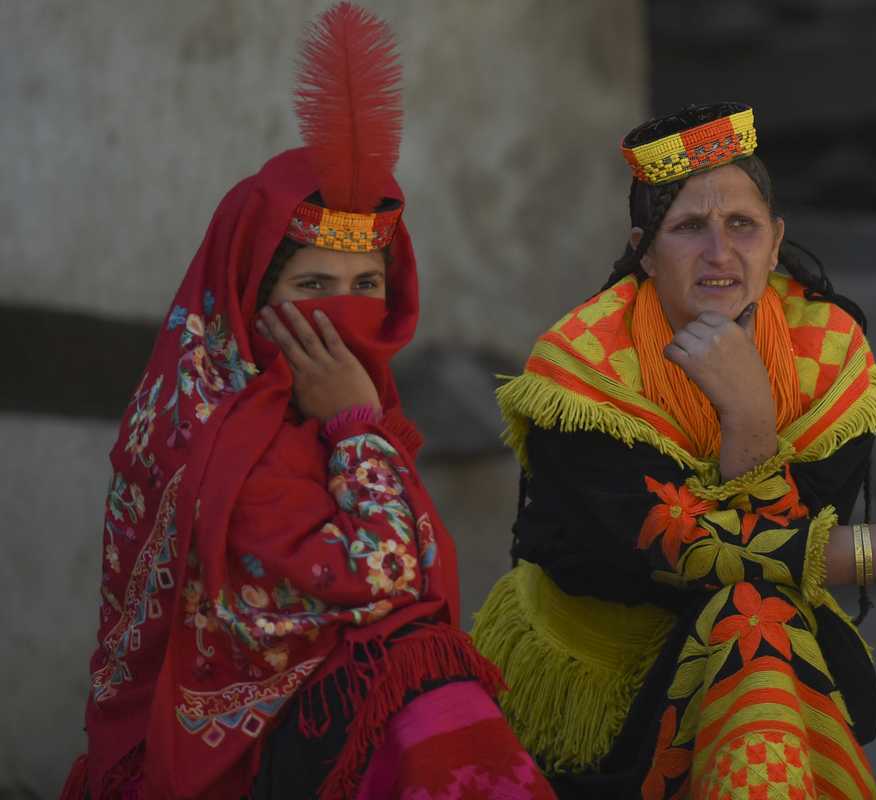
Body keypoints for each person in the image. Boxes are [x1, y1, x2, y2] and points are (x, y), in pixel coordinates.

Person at [60, 5, 552, 799]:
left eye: (367, 286)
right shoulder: (222, 435)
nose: (346, 312)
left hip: (314, 724)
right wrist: (356, 427)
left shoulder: (328, 411)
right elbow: (390, 578)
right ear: (252, 295)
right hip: (236, 758)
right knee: (429, 693)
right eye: (312, 287)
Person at [471, 102, 876, 799]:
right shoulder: (584, 370)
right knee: (753, 623)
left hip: (756, 649)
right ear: (643, 249)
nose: (719, 254)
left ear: (776, 239)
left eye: (742, 225)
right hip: (603, 675)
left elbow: (773, 566)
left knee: (757, 625)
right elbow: (699, 558)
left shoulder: (825, 353)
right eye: (688, 228)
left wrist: (750, 417)